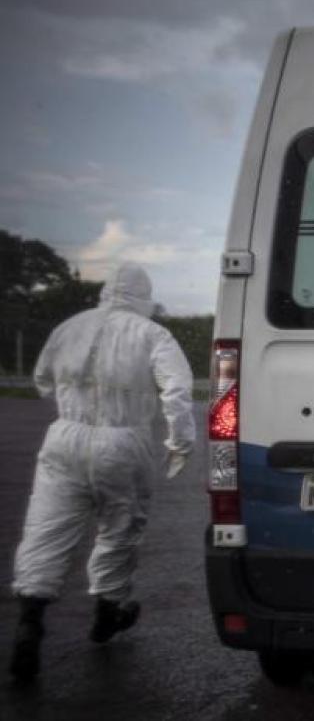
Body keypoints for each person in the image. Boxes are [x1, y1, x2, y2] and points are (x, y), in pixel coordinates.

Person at [9, 262, 195, 684]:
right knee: (120, 527)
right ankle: (109, 609)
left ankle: (31, 615)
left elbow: (41, 379)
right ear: (143, 295)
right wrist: (180, 442)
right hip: (123, 440)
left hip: (64, 438)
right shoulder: (153, 335)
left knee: (46, 528)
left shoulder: (69, 327)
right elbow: (177, 391)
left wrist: (76, 401)